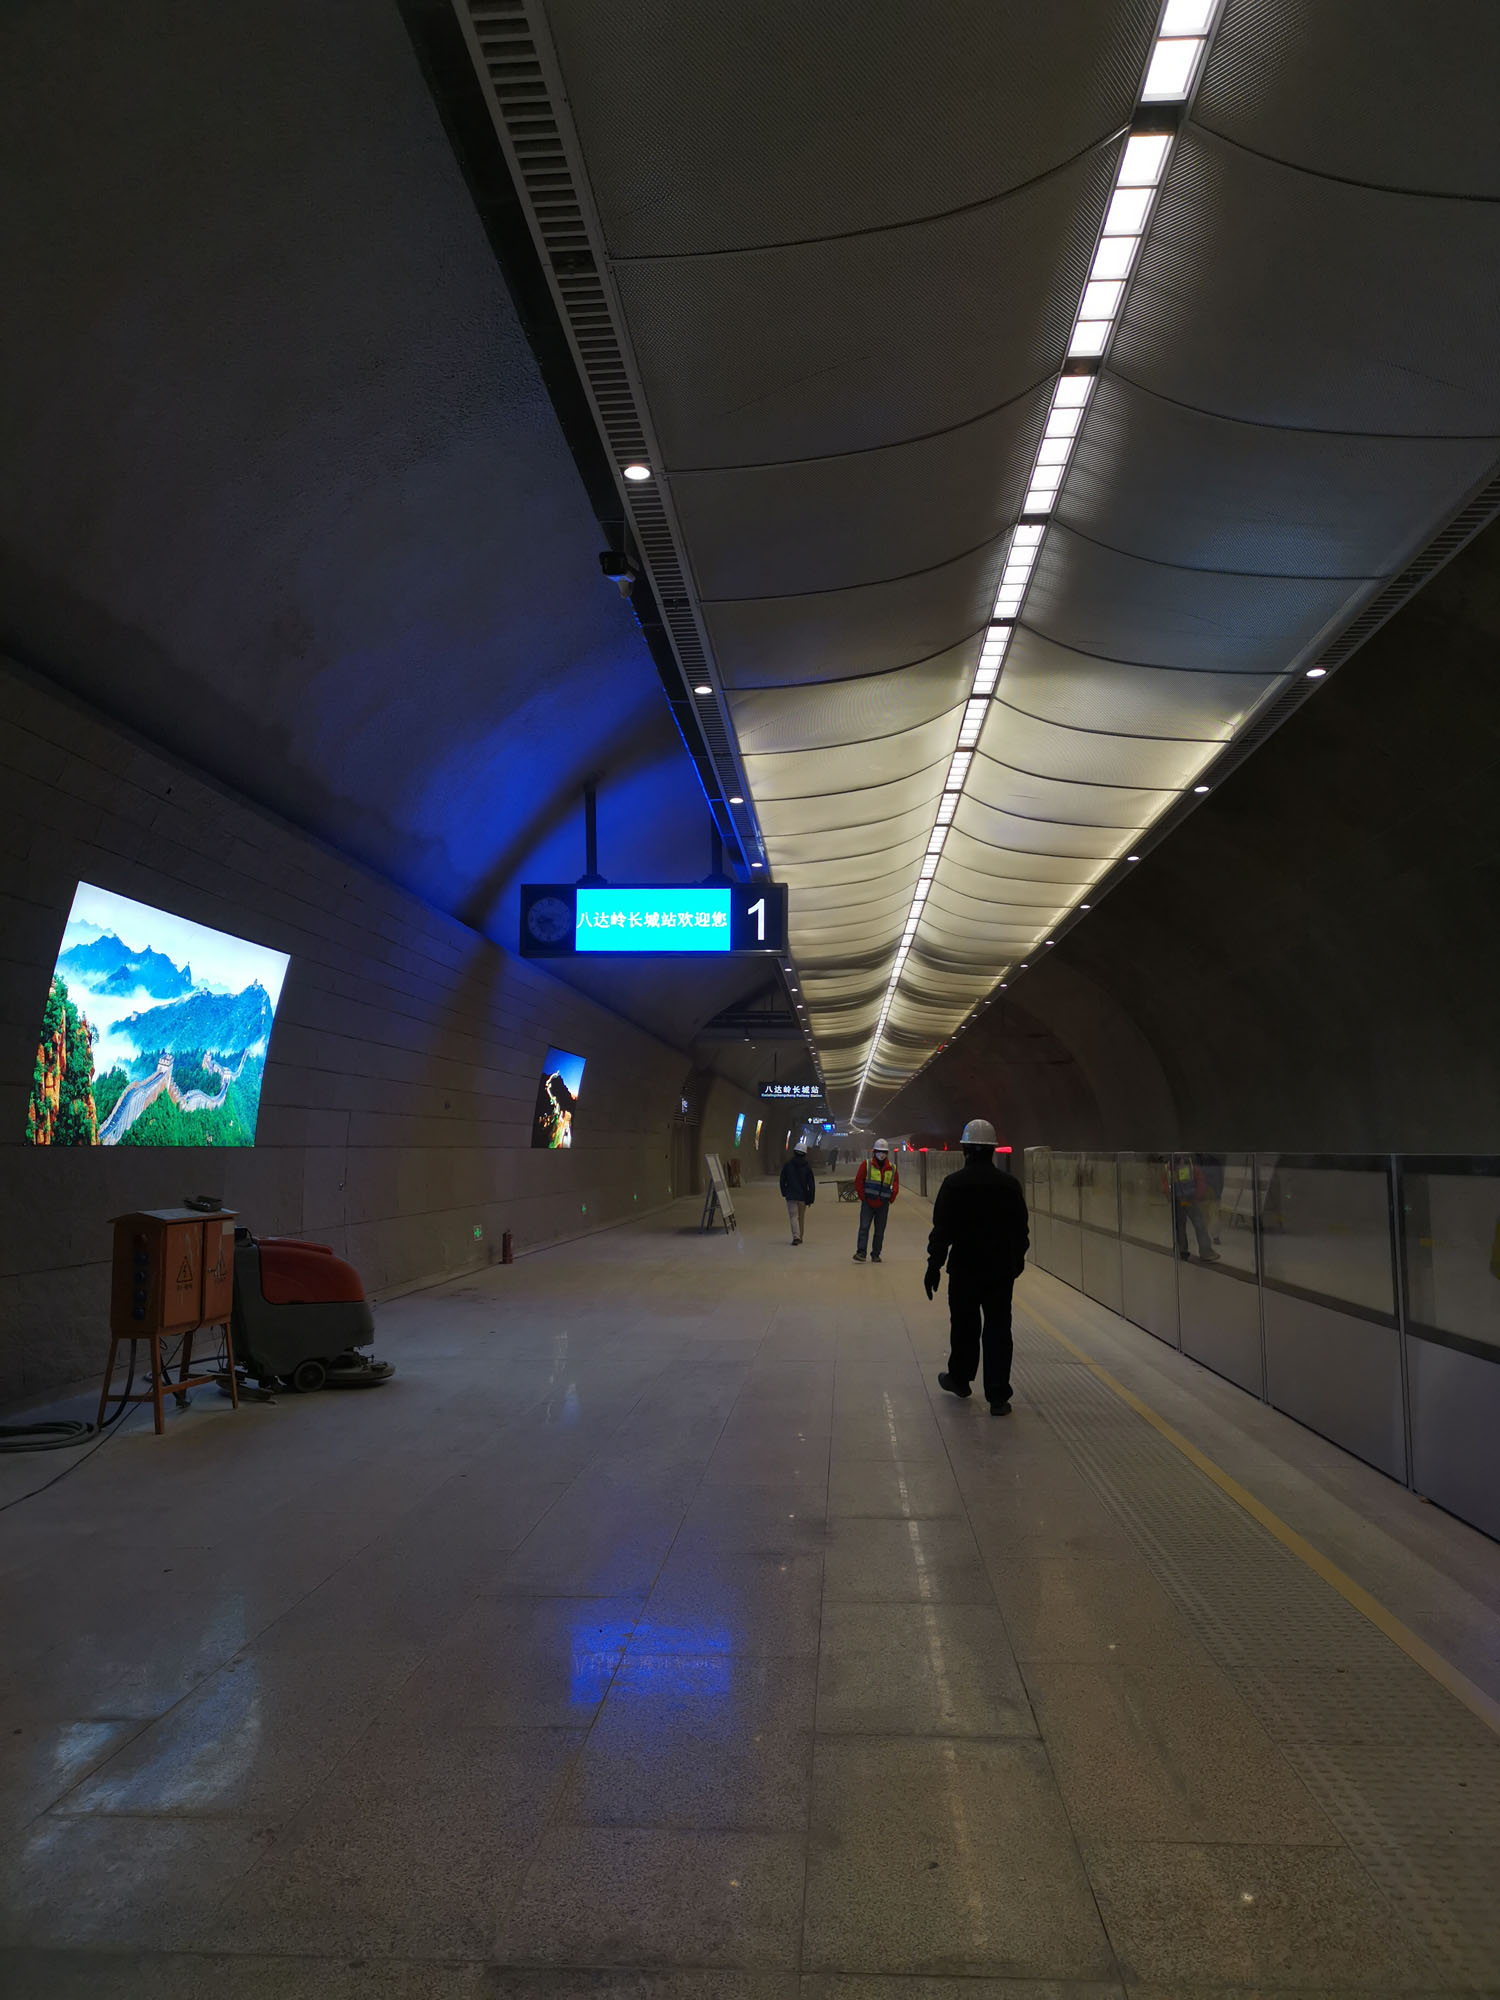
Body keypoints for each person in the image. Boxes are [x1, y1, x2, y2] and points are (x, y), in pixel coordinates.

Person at [925, 1119, 1029, 1414]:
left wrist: (934, 1266)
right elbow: (1021, 1231)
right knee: (999, 1329)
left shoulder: (953, 1184)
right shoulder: (1009, 1186)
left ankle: (960, 1379)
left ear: (965, 1149)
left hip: (964, 1269)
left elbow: (942, 1231)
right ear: (993, 1150)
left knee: (964, 1326)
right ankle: (997, 1395)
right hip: (999, 1271)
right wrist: (1015, 1263)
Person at [852, 1138, 898, 1262]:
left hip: (883, 1203)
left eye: (883, 1152)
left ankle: (876, 1254)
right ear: (874, 1152)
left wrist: (891, 1198)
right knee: (864, 1227)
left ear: (887, 1153)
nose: (881, 1154)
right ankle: (861, 1253)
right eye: (879, 1151)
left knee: (880, 1231)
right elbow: (859, 1181)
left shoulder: (892, 1168)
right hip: (868, 1202)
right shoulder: (866, 1165)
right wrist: (863, 1197)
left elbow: (895, 1183)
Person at [779, 1138, 815, 1246]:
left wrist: (784, 1192)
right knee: (801, 1217)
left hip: (791, 1195)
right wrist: (810, 1198)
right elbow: (811, 1184)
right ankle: (800, 1237)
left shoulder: (788, 1165)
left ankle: (796, 1237)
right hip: (802, 1196)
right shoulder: (807, 1167)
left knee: (793, 1217)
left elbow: (782, 1180)